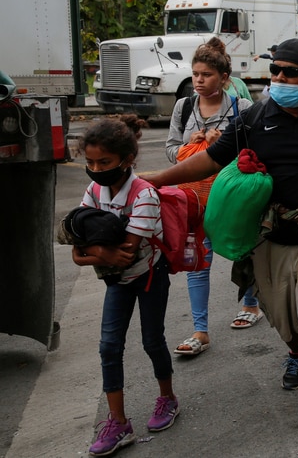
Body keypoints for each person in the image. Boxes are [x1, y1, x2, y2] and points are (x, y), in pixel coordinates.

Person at [144, 38, 298, 439]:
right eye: (275, 70)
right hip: (270, 237)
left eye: (290, 72)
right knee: (285, 317)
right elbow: (211, 159)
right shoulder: (255, 117)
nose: (279, 78)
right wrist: (155, 179)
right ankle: (296, 352)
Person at [73, 115, 179, 456]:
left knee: (152, 340)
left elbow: (127, 252)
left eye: (104, 162)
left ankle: (167, 398)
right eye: (90, 162)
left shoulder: (143, 193)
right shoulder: (93, 189)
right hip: (117, 281)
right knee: (108, 347)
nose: (96, 168)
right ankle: (118, 422)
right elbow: (77, 241)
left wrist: (93, 249)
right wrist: (97, 250)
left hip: (149, 275)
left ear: (126, 159)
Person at [164, 38, 256, 354]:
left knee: (244, 249)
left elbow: (252, 153)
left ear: (224, 78)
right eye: (196, 74)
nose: (200, 81)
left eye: (207, 75)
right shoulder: (183, 106)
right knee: (197, 262)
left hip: (231, 198)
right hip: (194, 199)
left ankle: (251, 303)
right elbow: (171, 150)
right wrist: (190, 146)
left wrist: (223, 146)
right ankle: (200, 330)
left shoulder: (241, 107)